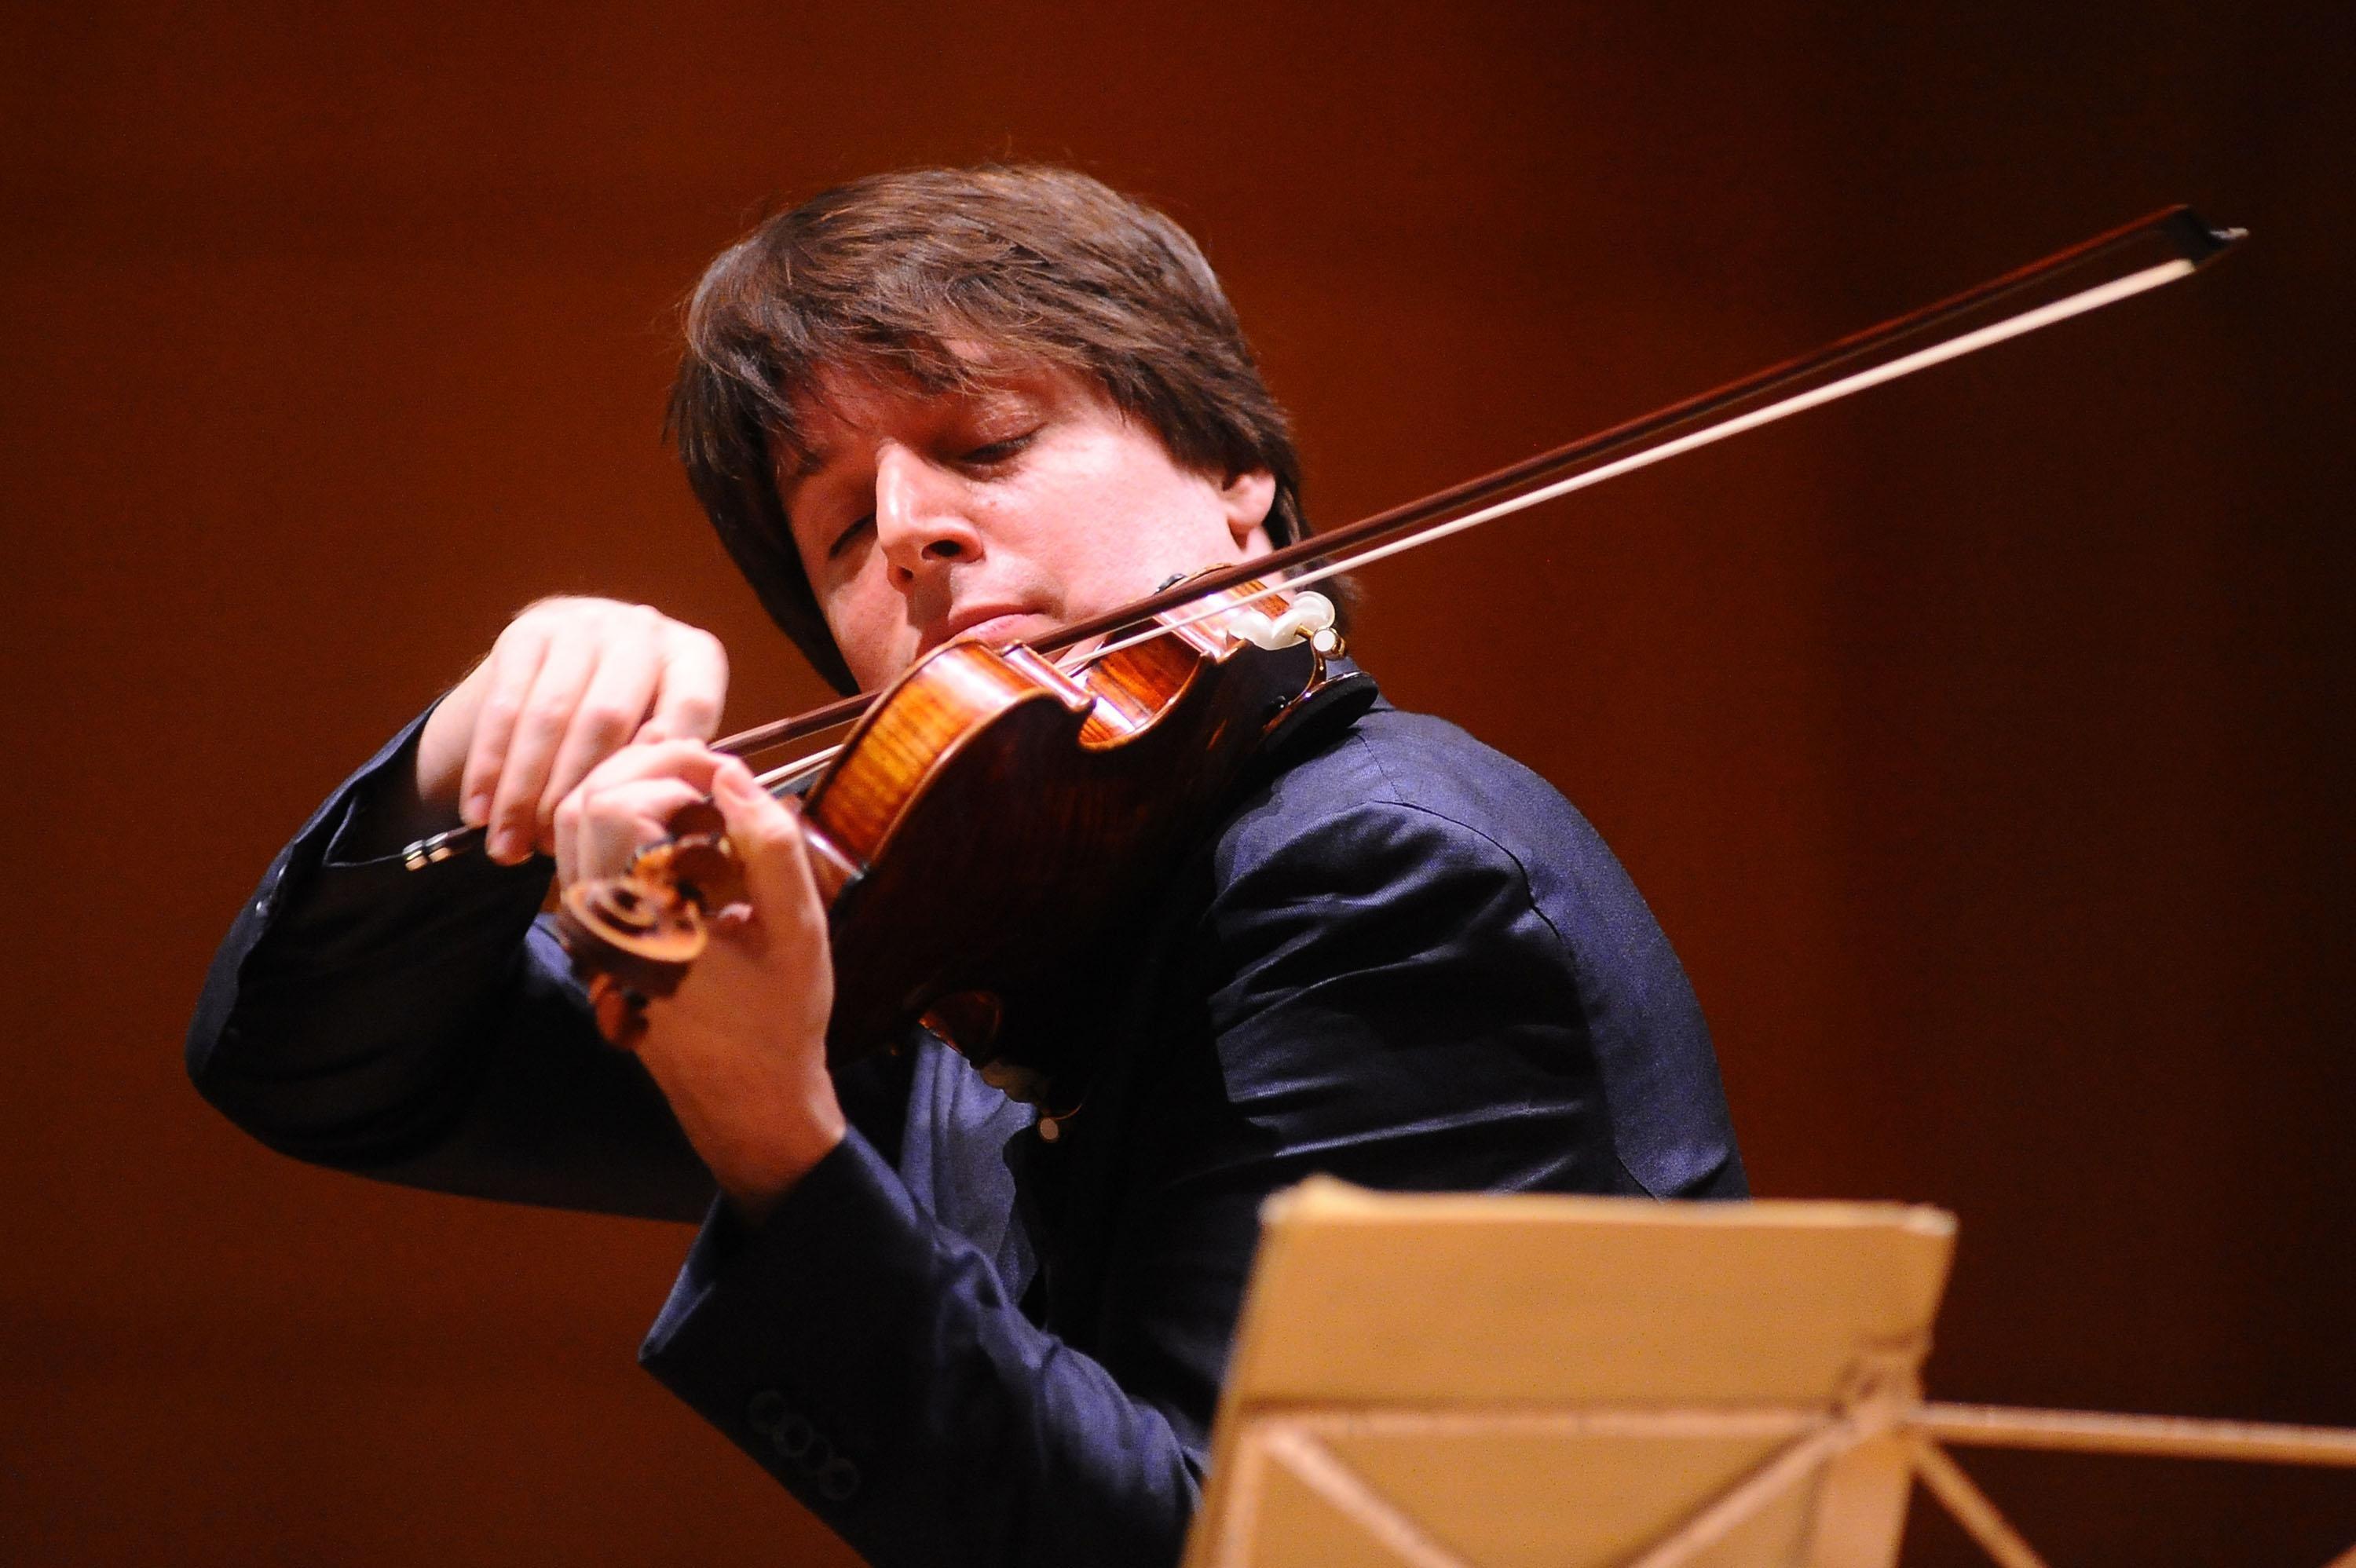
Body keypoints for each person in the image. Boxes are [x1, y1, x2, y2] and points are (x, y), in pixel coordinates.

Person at [188, 164, 1746, 1567]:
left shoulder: (1373, 869)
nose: (915, 530)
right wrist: (476, 762)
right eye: (843, 530)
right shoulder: (962, 925)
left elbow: (1234, 1550)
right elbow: (327, 1070)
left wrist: (774, 1136)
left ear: (1237, 483)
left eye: (986, 441)